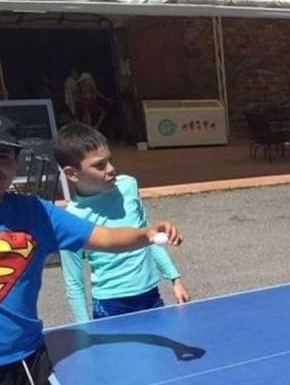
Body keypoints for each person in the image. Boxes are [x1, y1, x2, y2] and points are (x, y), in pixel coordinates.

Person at [0, 110, 182, 385]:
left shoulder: (35, 212)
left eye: (1, 155)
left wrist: (145, 233)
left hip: (29, 365)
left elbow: (104, 237)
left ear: (15, 162)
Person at [54, 123, 190, 322]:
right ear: (72, 174)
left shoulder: (128, 186)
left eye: (110, 160)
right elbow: (74, 283)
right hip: (111, 305)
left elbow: (149, 236)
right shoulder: (70, 219)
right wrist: (85, 329)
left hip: (151, 295)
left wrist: (175, 279)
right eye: (100, 165)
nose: (111, 169)